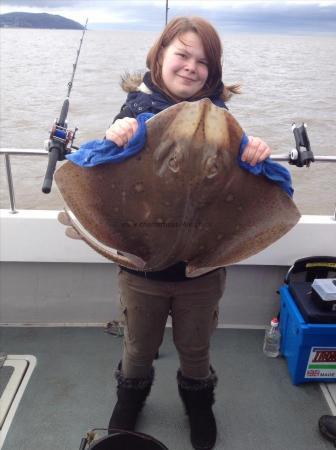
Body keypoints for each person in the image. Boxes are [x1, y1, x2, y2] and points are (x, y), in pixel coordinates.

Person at [61, 17, 272, 450]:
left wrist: (253, 152)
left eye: (203, 62)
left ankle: (197, 403)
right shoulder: (134, 112)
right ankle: (129, 397)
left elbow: (245, 178)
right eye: (182, 55)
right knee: (138, 348)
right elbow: (90, 168)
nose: (191, 67)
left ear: (212, 73)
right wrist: (112, 137)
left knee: (196, 349)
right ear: (159, 57)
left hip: (201, 267)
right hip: (141, 265)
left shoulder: (222, 120)